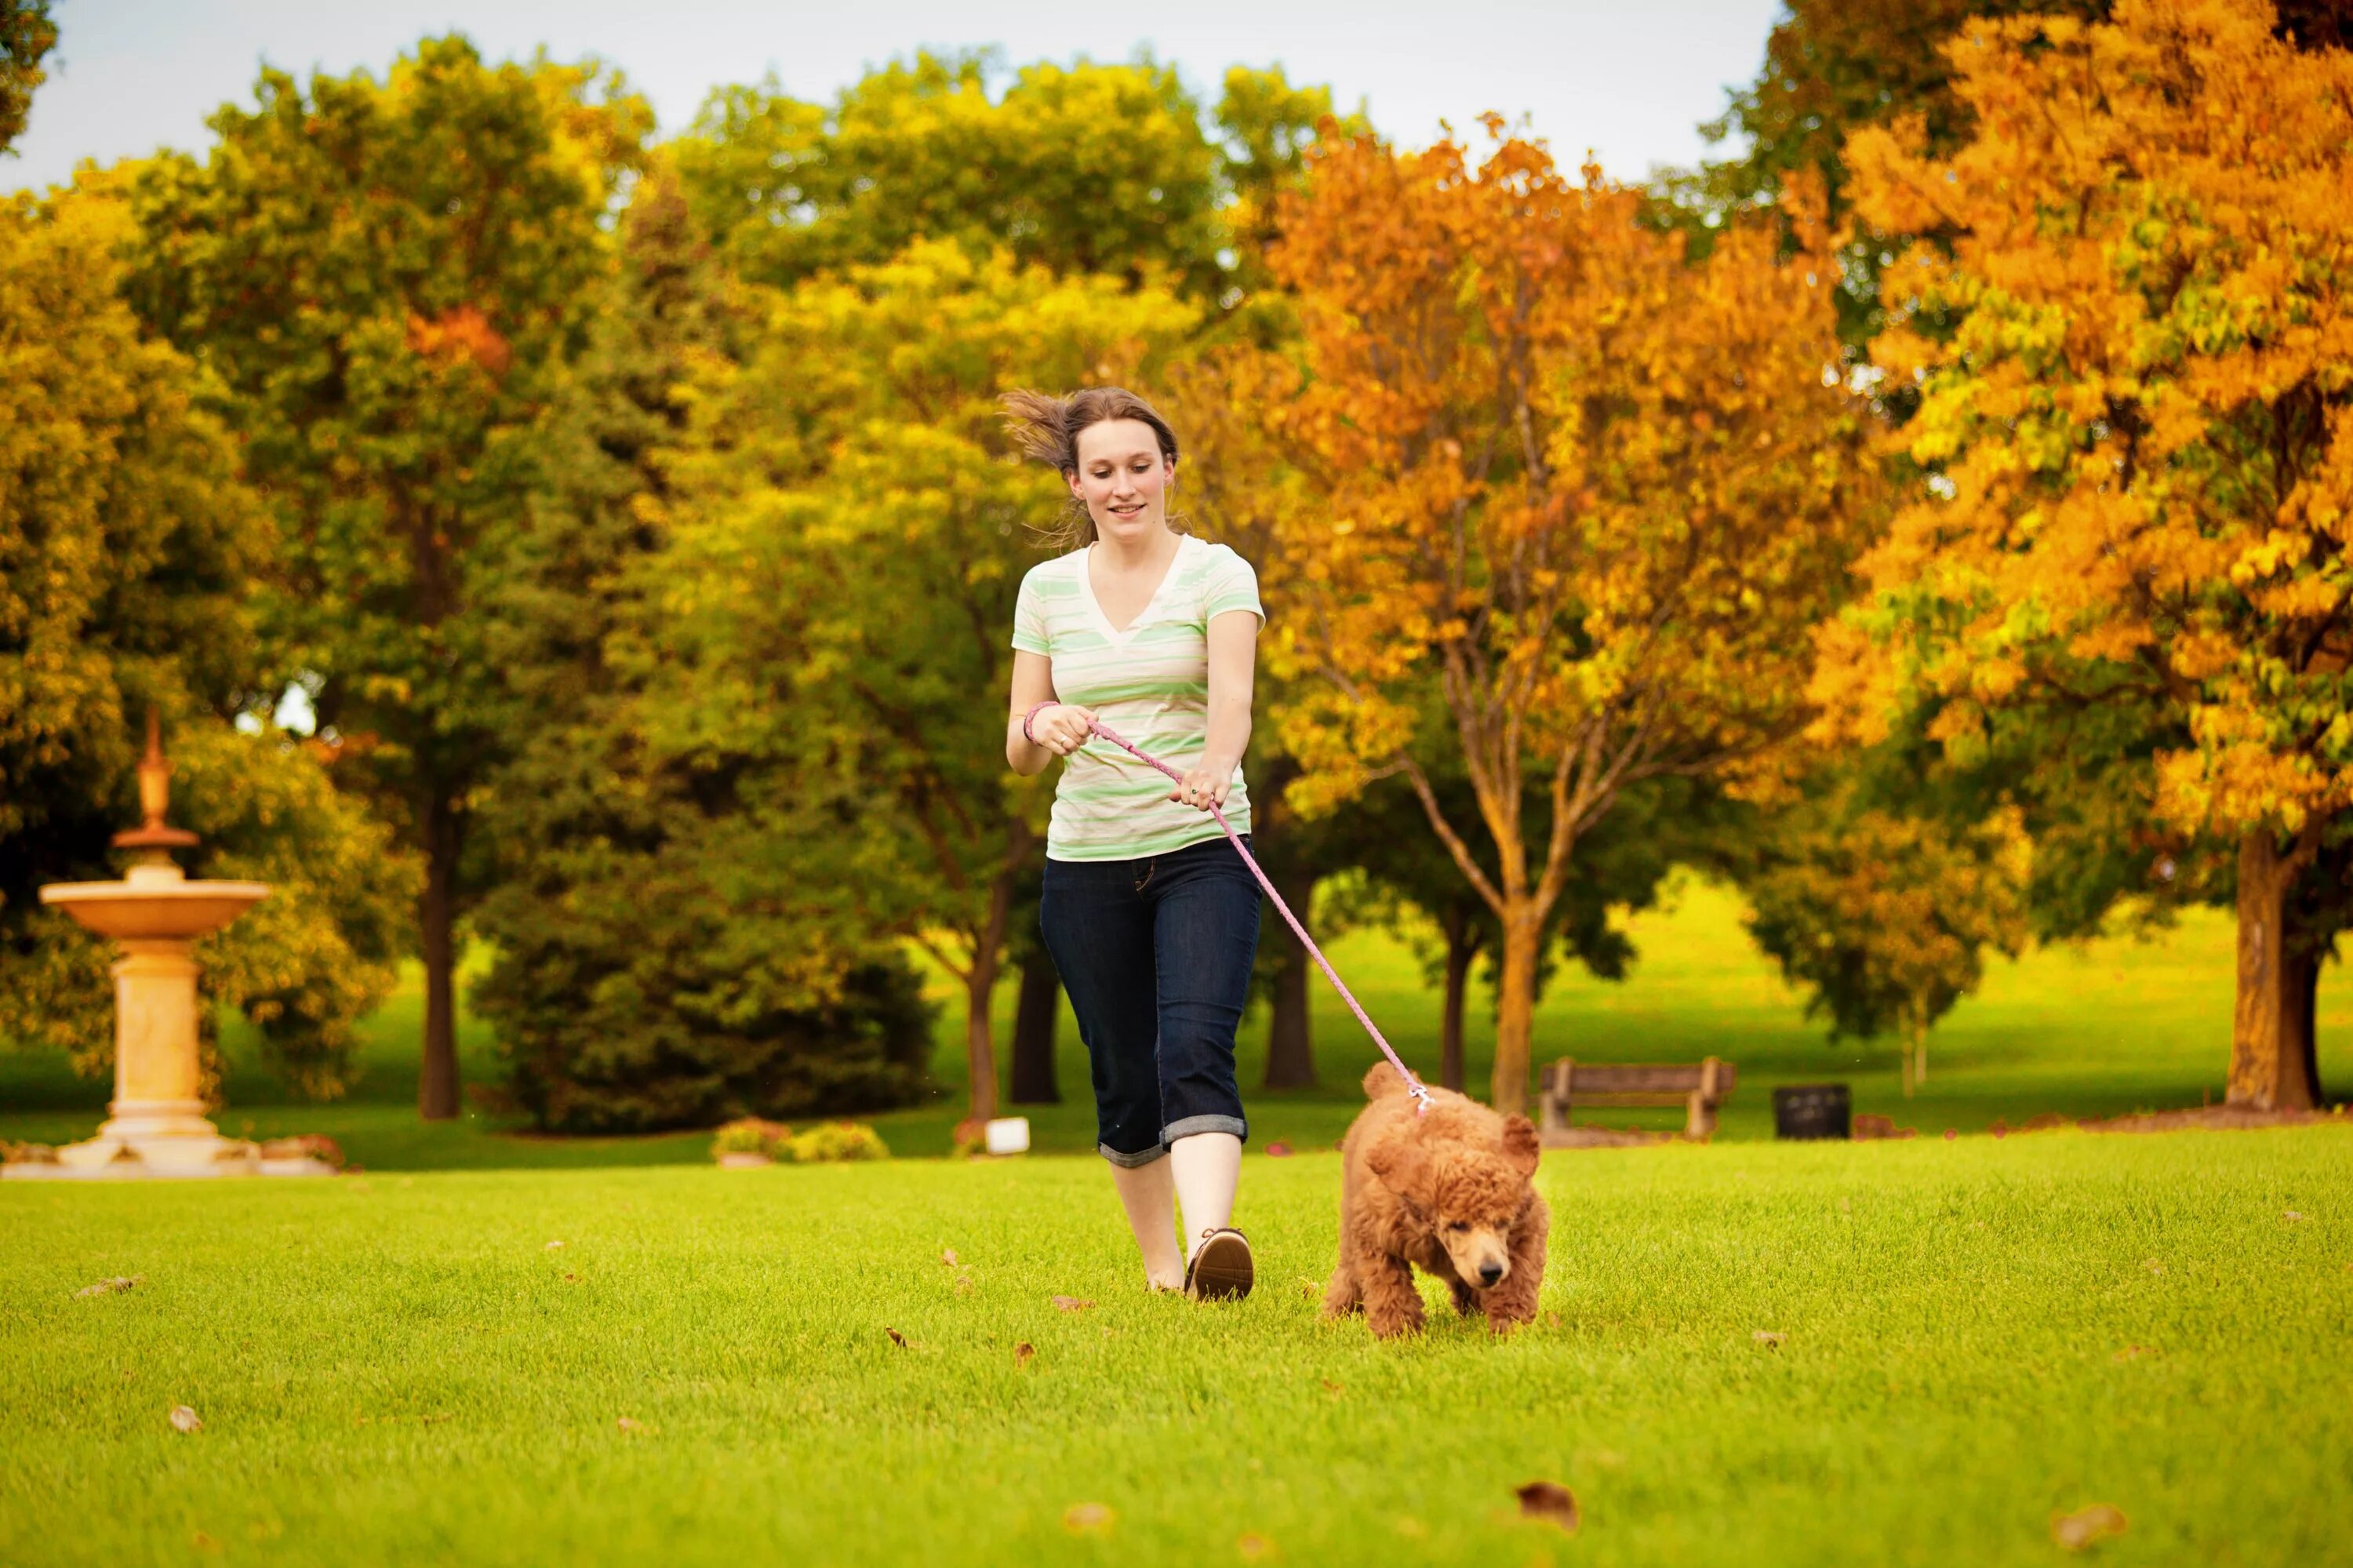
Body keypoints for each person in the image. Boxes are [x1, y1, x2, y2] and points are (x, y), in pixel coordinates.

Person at [1002, 385, 1264, 1301]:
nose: (1124, 486)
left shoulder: (1218, 573)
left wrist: (1213, 764)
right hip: (1086, 864)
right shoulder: (1047, 590)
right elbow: (1018, 745)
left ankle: (1212, 1243)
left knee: (1194, 1043)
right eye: (1103, 471)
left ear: (1169, 470)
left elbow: (1231, 702)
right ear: (1076, 484)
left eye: (1140, 466)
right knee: (1121, 1068)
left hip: (1203, 845)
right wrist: (1048, 723)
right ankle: (1164, 1274)